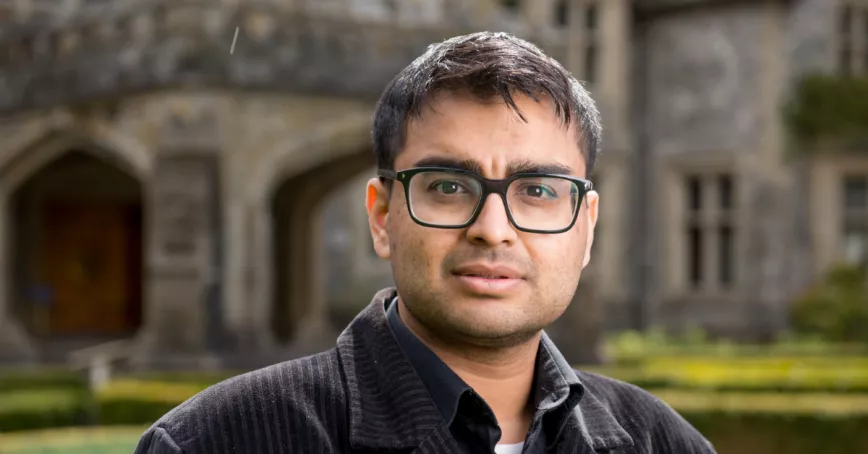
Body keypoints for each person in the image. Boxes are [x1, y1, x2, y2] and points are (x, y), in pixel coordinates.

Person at [135, 31, 716, 454]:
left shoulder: (661, 441)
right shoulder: (216, 441)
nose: (493, 227)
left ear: (585, 227)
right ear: (383, 216)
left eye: (537, 190)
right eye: (447, 186)